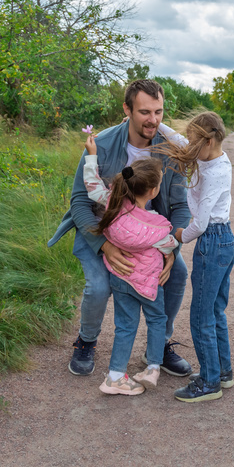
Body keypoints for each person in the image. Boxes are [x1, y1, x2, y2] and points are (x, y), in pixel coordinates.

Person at [48, 79, 192, 378]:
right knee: (99, 286)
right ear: (127, 109)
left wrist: (171, 249)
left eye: (158, 112)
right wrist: (105, 246)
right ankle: (86, 341)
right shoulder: (101, 144)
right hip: (103, 231)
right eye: (144, 112)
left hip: (150, 237)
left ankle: (160, 345)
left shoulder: (171, 151)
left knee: (177, 273)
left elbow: (180, 208)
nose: (153, 120)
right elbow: (79, 200)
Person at [155, 113, 234, 403]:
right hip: (223, 239)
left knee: (201, 316)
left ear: (209, 140)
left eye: (194, 141)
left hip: (212, 241)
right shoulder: (210, 156)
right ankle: (223, 372)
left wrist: (176, 236)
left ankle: (209, 382)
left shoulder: (216, 172)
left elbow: (199, 224)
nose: (189, 146)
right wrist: (157, 123)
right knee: (215, 311)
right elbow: (178, 140)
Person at [82, 146, 176, 395]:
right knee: (157, 320)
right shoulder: (157, 227)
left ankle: (114, 377)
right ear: (153, 190)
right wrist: (172, 254)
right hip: (149, 282)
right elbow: (170, 245)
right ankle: (153, 368)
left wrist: (91, 154)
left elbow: (92, 186)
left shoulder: (112, 204)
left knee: (125, 326)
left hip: (121, 277)